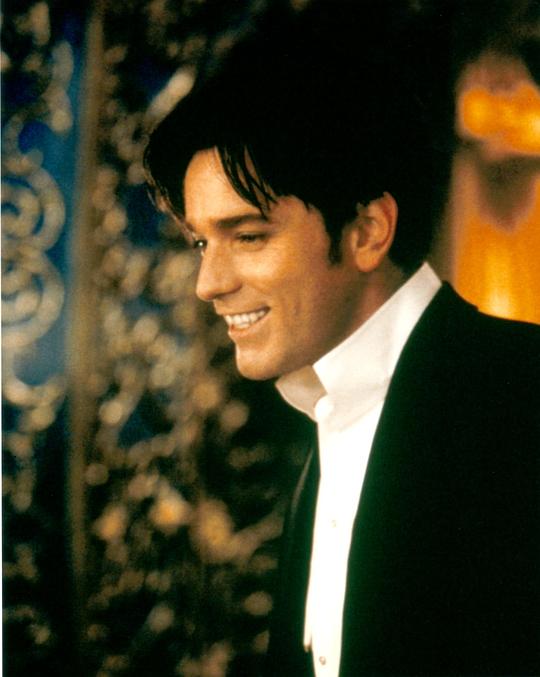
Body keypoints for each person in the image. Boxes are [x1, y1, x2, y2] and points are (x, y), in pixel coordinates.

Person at [144, 6, 540, 675]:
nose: (208, 284)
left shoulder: (521, 393)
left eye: (248, 236)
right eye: (200, 243)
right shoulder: (329, 416)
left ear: (367, 231)